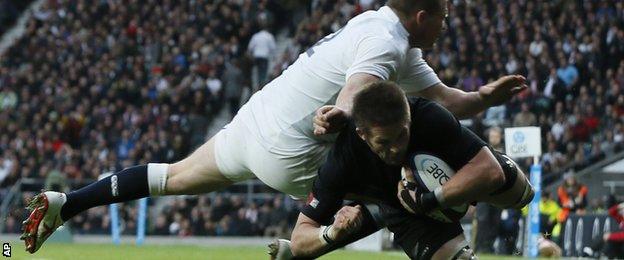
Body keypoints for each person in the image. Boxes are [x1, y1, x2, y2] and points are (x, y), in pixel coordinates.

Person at [21, 0, 527, 253]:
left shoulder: (384, 34)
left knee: (170, 178)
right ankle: (311, 245)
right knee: (406, 196)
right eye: (443, 17)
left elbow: (447, 99)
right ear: (422, 15)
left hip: (255, 122)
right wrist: (345, 113)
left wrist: (484, 97)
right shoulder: (387, 44)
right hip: (296, 149)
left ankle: (70, 202)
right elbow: (360, 86)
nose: (446, 25)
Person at [282, 81, 533, 259]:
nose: (395, 148)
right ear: (362, 134)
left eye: (402, 135)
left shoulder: (428, 115)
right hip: (403, 210)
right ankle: (382, 210)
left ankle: (382, 210)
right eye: (384, 142)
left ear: (409, 119)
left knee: (522, 195)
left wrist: (430, 199)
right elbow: (299, 239)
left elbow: (491, 172)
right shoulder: (343, 159)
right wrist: (331, 232)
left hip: (450, 175)